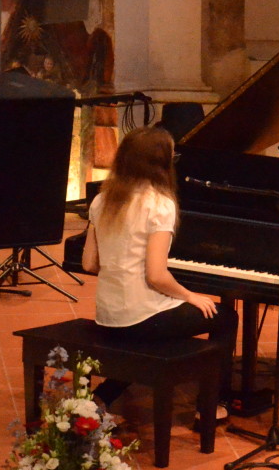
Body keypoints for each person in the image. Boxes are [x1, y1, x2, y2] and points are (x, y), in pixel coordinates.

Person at [81, 125, 237, 421]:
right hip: (141, 319)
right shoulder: (159, 204)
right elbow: (156, 275)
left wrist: (121, 263)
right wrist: (190, 296)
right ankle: (211, 405)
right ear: (162, 162)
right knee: (226, 317)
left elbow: (89, 263)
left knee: (155, 333)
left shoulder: (102, 200)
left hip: (108, 315)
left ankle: (103, 397)